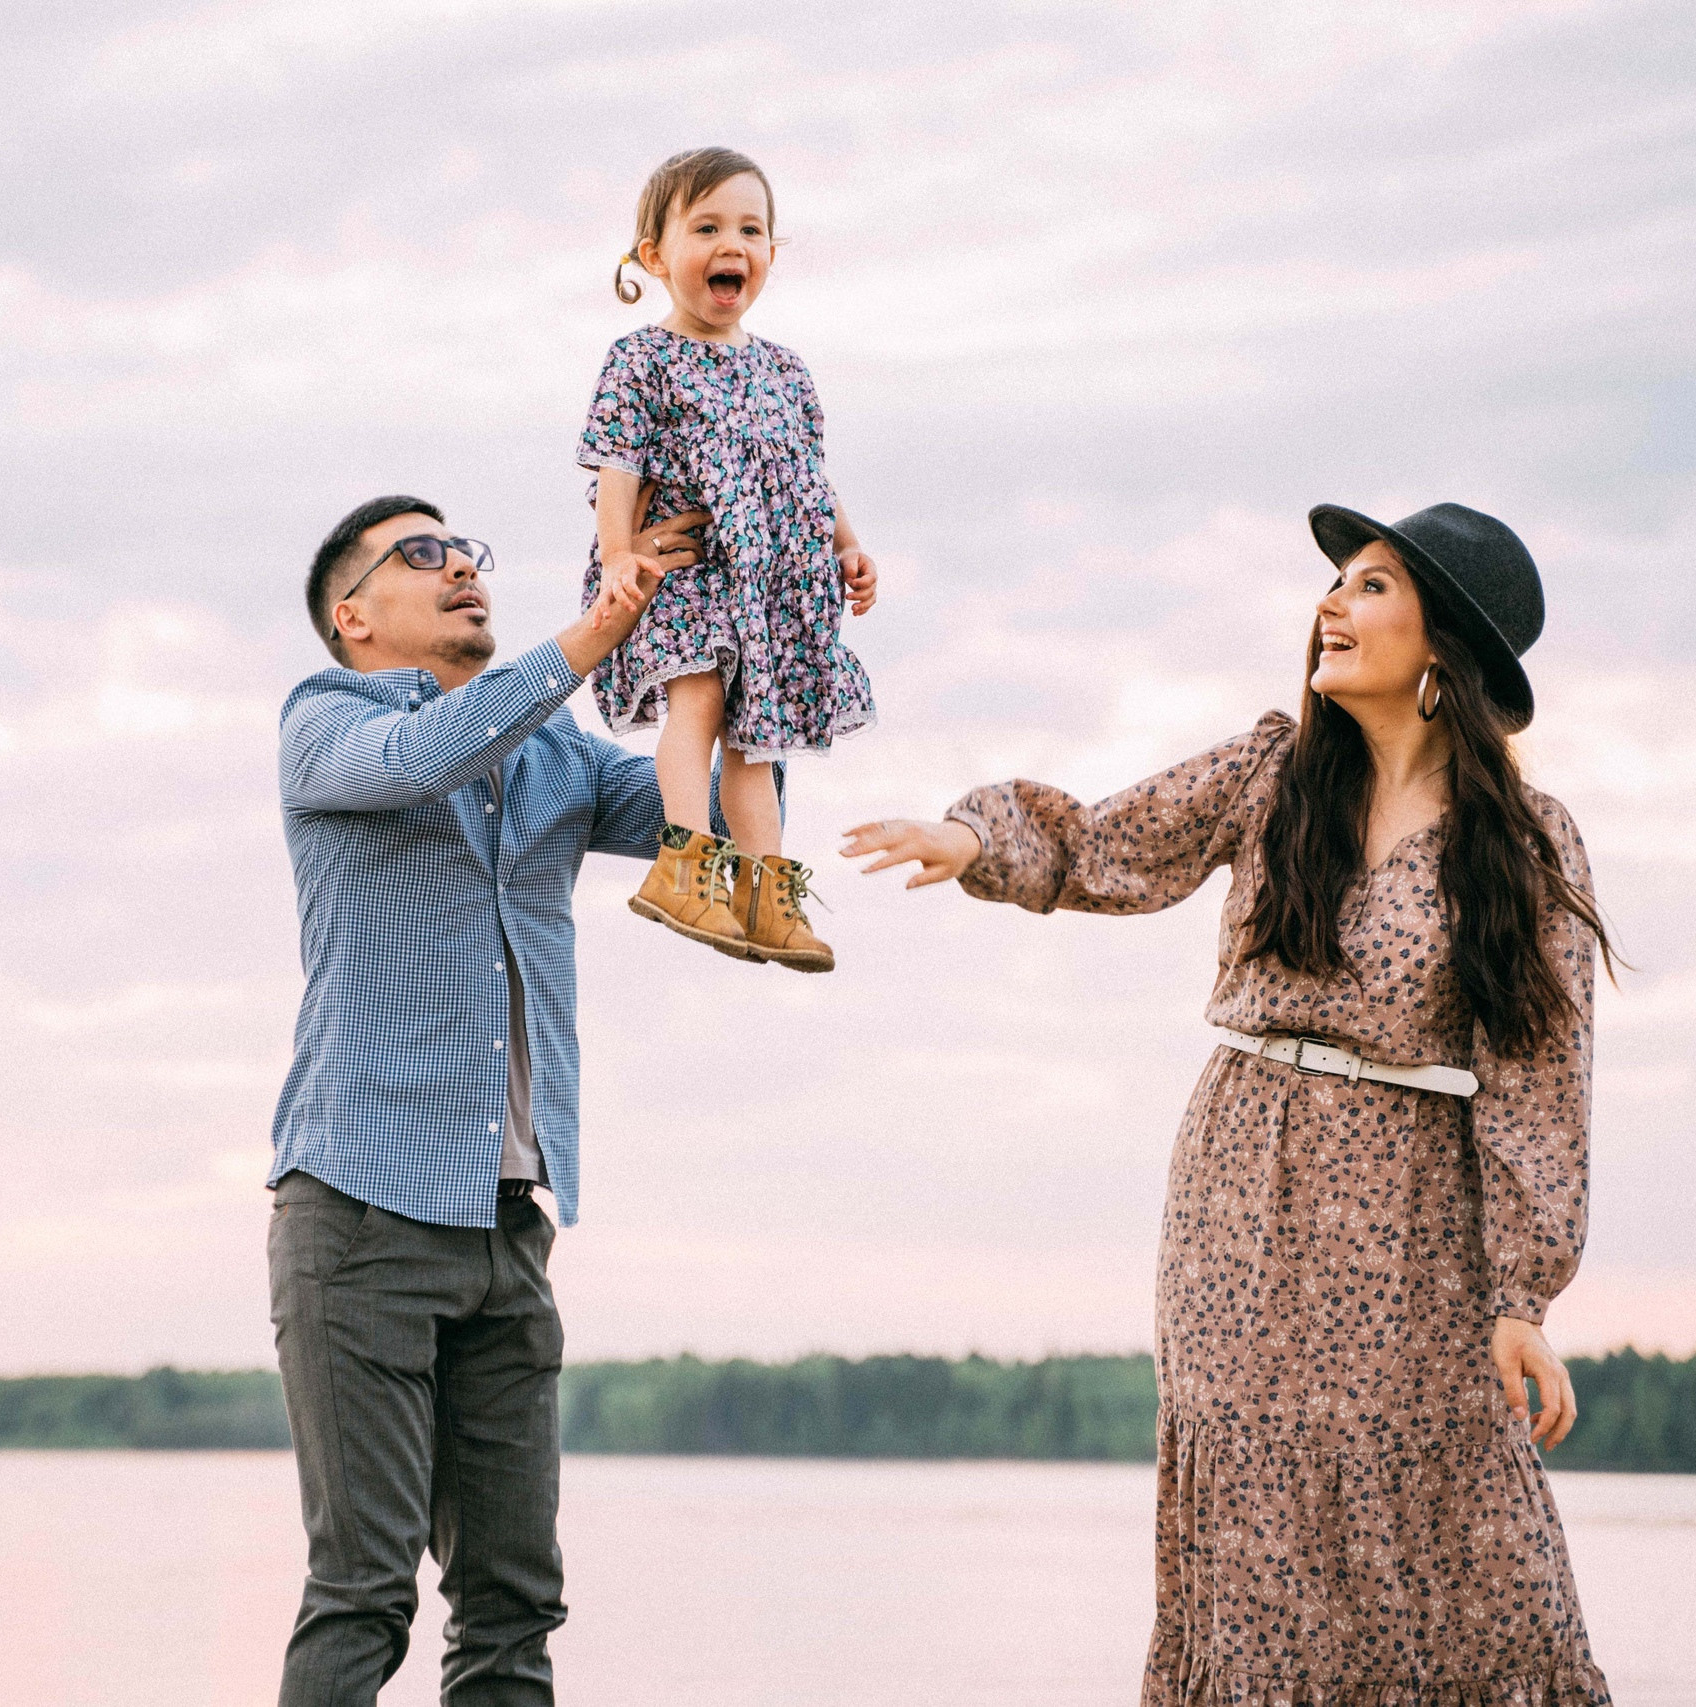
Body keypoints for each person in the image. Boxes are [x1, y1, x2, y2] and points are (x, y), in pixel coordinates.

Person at [843, 503, 1617, 1706]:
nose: (1330, 605)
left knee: (1462, 1518)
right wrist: (967, 839)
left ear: (1444, 647)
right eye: (1335, 584)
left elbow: (1539, 1075)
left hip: (1412, 1215)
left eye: (1369, 587)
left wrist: (1522, 1295)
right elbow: (1108, 845)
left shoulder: (1523, 845)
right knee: (1254, 1516)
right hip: (1241, 1192)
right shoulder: (1272, 773)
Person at [268, 490, 791, 1706]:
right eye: (421, 555)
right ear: (353, 617)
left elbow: (709, 814)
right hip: (358, 1219)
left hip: (508, 1229)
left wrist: (739, 642)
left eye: (466, 550)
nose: (460, 567)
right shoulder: (324, 722)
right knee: (363, 1587)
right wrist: (601, 628)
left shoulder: (553, 753)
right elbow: (423, 759)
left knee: (513, 1601)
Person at [579, 145, 881, 972]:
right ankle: (687, 862)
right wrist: (615, 555)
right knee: (701, 706)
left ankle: (763, 890)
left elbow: (807, 476)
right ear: (654, 256)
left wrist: (846, 546)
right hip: (692, 571)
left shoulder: (786, 369)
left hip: (774, 586)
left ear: (771, 256)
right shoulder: (642, 359)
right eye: (706, 226)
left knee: (760, 740)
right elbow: (618, 462)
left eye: (751, 229)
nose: (732, 244)